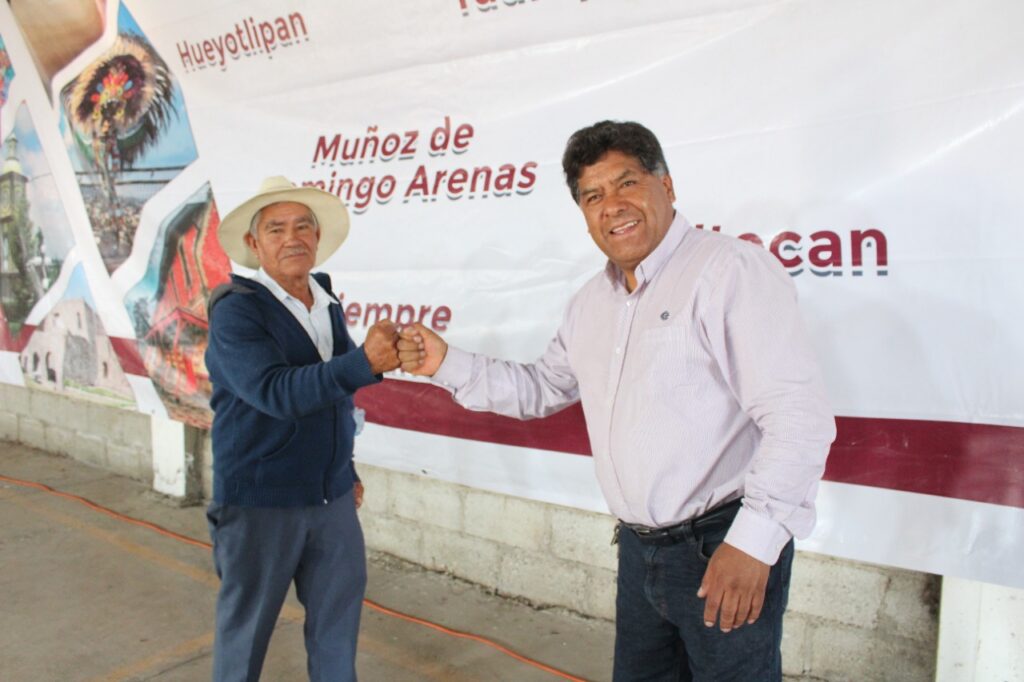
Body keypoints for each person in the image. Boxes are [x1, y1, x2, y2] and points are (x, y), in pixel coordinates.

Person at [397, 121, 836, 681]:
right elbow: (542, 388)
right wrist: (444, 363)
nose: (613, 206)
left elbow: (798, 418)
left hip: (722, 547)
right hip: (638, 551)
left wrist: (754, 544)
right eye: (593, 195)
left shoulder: (728, 271)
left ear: (666, 186)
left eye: (627, 183)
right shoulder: (591, 303)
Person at [205, 176, 399, 681]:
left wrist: (344, 468)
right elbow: (277, 393)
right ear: (253, 244)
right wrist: (364, 361)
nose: (292, 238)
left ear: (316, 237)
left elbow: (335, 399)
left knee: (338, 630)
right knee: (244, 638)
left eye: (302, 226)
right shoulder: (236, 311)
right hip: (260, 502)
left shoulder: (323, 299)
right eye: (276, 229)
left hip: (330, 498)